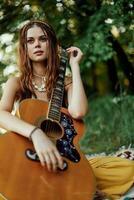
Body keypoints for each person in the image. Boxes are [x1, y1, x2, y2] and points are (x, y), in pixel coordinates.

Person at [0, 20, 88, 173]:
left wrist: (74, 66)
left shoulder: (66, 82)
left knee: (123, 170)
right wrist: (36, 133)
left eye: (43, 39)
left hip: (60, 159)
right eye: (30, 41)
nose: (37, 45)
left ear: (52, 44)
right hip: (27, 155)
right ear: (24, 48)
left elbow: (78, 112)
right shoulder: (16, 83)